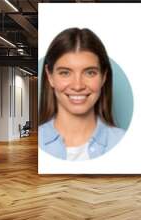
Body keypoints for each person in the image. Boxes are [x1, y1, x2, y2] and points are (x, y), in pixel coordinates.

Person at [39, 28, 125, 161]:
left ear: (104, 77)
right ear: (49, 76)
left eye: (90, 72)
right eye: (65, 73)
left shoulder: (122, 141)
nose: (78, 86)